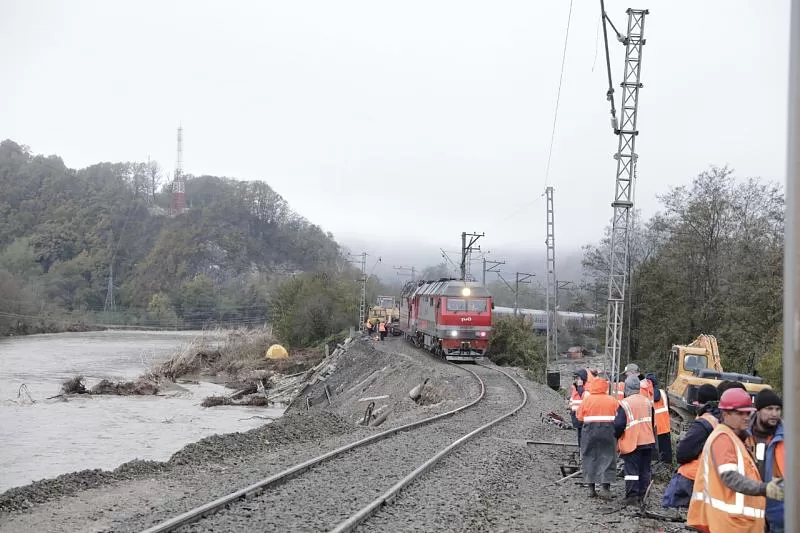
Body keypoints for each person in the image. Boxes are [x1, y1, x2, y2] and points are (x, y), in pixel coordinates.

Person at [687, 388, 784, 533]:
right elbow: (730, 477)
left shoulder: (736, 438)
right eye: (740, 413)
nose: (746, 417)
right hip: (729, 524)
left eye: (747, 412)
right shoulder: (723, 438)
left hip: (740, 523)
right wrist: (764, 488)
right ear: (725, 414)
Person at [663, 384, 719, 508]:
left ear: (700, 402)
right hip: (710, 476)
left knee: (670, 503)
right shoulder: (719, 420)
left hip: (693, 475)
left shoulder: (704, 423)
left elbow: (683, 453)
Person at [576, 372, 619, 499]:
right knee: (608, 457)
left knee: (590, 456)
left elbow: (579, 417)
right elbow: (619, 417)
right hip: (608, 431)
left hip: (590, 431)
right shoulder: (612, 400)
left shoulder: (587, 400)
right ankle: (605, 488)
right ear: (605, 387)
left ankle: (591, 488)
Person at [746, 389, 785, 533]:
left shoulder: (790, 437)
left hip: (779, 515)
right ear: (758, 410)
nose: (774, 413)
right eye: (769, 409)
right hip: (749, 513)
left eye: (778, 409)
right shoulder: (742, 436)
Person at [614, 375, 656, 505]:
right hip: (648, 440)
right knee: (645, 469)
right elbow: (652, 421)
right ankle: (643, 495)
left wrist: (616, 436)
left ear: (627, 388)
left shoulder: (625, 403)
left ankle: (632, 496)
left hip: (633, 441)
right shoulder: (647, 402)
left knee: (632, 470)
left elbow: (619, 424)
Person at [645, 373, 673, 463]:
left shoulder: (649, 394)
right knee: (666, 451)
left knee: (656, 454)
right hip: (665, 425)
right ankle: (667, 468)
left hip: (655, 427)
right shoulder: (663, 392)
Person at [568, 369, 589, 448]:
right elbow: (572, 400)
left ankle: (583, 452)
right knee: (580, 435)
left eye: (578, 378)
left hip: (582, 416)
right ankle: (581, 451)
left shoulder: (585, 389)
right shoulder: (575, 388)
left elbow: (584, 397)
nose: (576, 380)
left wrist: (580, 386)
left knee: (583, 436)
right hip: (576, 416)